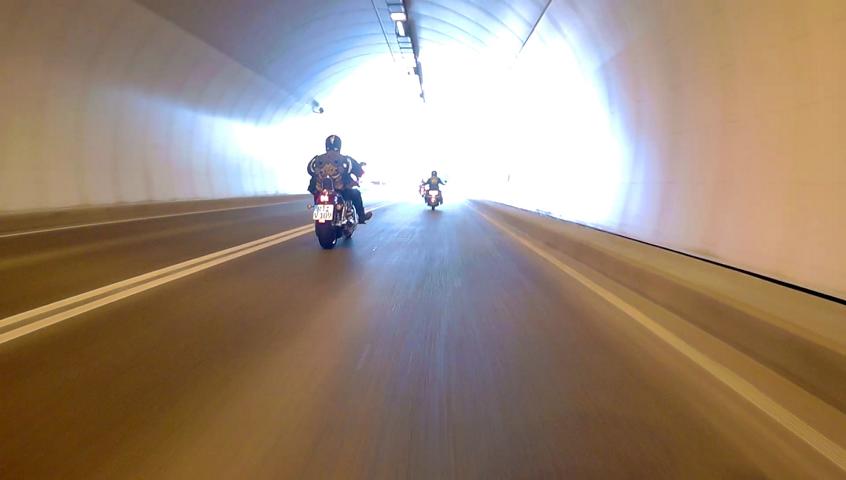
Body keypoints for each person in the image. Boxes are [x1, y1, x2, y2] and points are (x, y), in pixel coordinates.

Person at [307, 135, 372, 224]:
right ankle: (361, 217)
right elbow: (359, 172)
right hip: (341, 189)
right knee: (356, 193)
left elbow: (310, 170)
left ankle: (323, 214)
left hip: (320, 190)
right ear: (339, 145)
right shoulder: (346, 159)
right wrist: (359, 172)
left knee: (316, 194)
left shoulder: (317, 159)